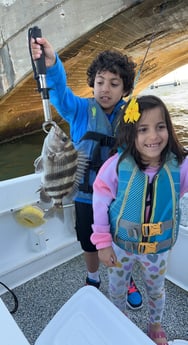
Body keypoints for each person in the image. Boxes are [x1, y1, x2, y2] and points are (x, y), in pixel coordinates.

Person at [31, 36, 143, 309]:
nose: (105, 89)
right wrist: (51, 63)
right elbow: (59, 92)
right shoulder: (79, 110)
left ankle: (125, 277)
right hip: (84, 197)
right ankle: (93, 277)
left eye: (114, 84)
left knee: (121, 241)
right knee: (89, 242)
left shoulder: (130, 115)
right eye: (100, 82)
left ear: (125, 89)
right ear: (92, 83)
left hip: (118, 198)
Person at [91, 95, 188, 345]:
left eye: (160, 127)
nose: (153, 136)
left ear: (169, 128)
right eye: (143, 129)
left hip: (157, 250)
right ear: (130, 134)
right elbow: (100, 202)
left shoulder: (180, 166)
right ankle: (119, 318)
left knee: (156, 290)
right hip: (120, 247)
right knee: (117, 288)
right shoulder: (115, 166)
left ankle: (154, 324)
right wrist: (102, 243)